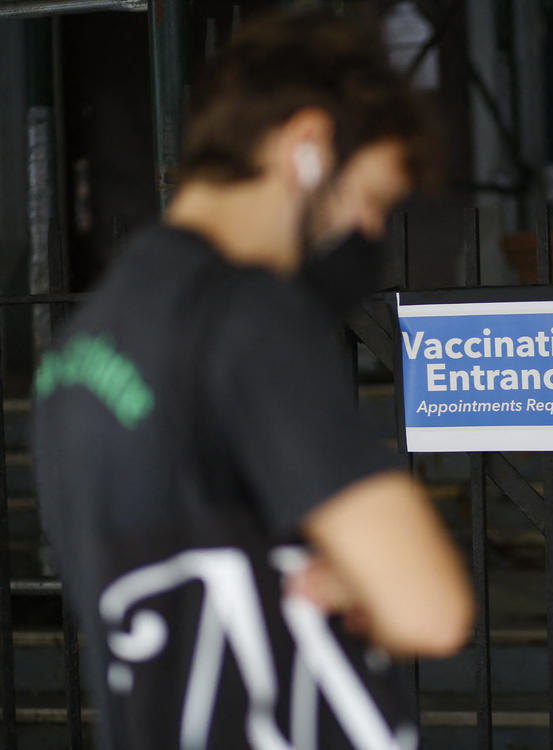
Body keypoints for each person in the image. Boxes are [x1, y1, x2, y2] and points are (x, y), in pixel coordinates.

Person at [31, 9, 473, 750]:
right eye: (368, 199)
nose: (368, 233)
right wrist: (360, 578)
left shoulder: (85, 343)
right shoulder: (248, 315)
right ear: (307, 145)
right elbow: (431, 609)